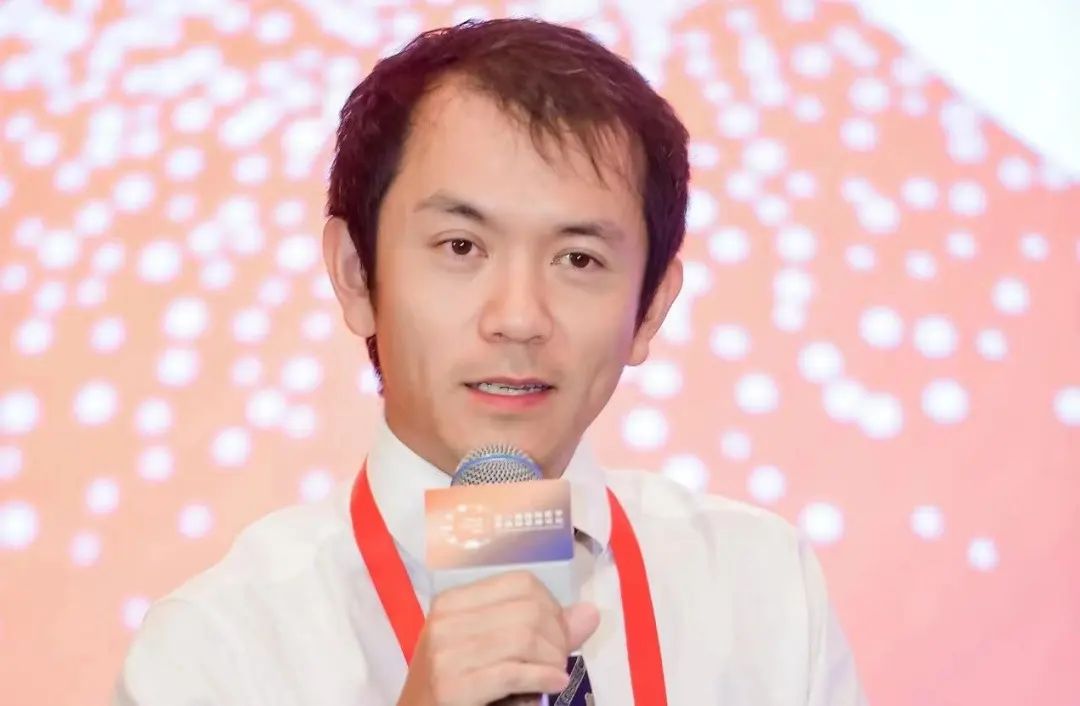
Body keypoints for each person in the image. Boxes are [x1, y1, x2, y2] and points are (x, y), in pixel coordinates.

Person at [115, 17, 866, 706]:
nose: (518, 318)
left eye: (578, 258)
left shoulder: (765, 592)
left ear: (650, 309)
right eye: (462, 247)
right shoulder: (216, 653)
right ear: (355, 275)